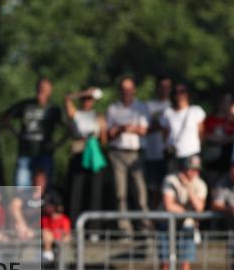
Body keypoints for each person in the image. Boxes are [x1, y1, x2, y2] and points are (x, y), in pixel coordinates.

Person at [158, 155, 207, 270]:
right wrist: (189, 213)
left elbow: (199, 208)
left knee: (185, 264)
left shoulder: (200, 185)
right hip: (168, 225)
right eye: (190, 169)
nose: (192, 172)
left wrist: (188, 186)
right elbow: (168, 205)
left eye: (195, 170)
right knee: (166, 263)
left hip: (187, 228)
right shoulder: (170, 180)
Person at [106, 76, 150, 236]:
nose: (127, 92)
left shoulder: (141, 107)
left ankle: (144, 226)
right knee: (120, 193)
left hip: (136, 153)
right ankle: (125, 229)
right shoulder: (113, 108)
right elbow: (108, 134)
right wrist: (120, 129)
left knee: (140, 191)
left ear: (134, 90)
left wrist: (129, 128)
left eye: (129, 89)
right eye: (124, 89)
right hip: (118, 153)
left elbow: (145, 129)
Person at [2, 78, 62, 187]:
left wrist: (57, 144)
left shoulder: (54, 109)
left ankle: (41, 204)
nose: (40, 92)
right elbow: (4, 118)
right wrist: (16, 133)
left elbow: (68, 127)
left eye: (44, 89)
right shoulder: (25, 105)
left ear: (50, 91)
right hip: (25, 153)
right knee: (21, 187)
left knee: (43, 189)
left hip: (45, 154)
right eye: (39, 88)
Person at [64, 87, 106, 221]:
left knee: (95, 192)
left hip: (94, 157)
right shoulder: (76, 114)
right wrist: (85, 92)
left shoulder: (98, 116)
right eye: (85, 99)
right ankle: (74, 224)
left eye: (90, 99)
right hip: (79, 154)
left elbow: (104, 140)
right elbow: (67, 98)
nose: (87, 102)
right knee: (76, 191)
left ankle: (94, 228)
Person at [161, 83, 206, 171]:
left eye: (182, 92)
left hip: (192, 152)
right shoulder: (167, 112)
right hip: (173, 154)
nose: (179, 95)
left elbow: (201, 132)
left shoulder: (196, 110)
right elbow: (165, 133)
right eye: (176, 92)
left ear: (187, 94)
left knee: (192, 179)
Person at [144, 76, 172, 207]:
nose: (165, 90)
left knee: (168, 189)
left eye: (167, 87)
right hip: (152, 153)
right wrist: (160, 126)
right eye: (162, 87)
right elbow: (144, 128)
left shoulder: (173, 106)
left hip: (169, 154)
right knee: (152, 189)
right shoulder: (148, 105)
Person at [201, 92, 234, 184]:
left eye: (229, 102)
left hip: (228, 156)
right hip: (212, 157)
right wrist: (220, 139)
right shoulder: (209, 119)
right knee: (212, 183)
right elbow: (204, 134)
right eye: (224, 102)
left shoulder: (233, 120)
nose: (226, 104)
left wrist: (225, 139)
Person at [40, 191, 71, 264]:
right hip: (49, 243)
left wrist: (58, 237)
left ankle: (60, 257)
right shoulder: (45, 219)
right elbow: (45, 231)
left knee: (67, 238)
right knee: (46, 233)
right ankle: (48, 255)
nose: (46, 207)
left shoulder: (64, 220)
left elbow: (66, 233)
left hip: (60, 244)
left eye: (49, 205)